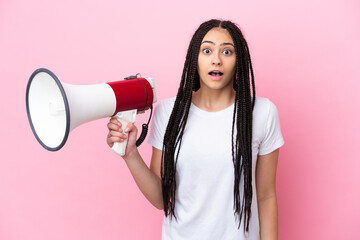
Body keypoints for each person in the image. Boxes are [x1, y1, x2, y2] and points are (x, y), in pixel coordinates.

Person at [107, 19, 284, 240]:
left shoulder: (262, 113)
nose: (216, 60)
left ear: (239, 60)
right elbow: (161, 199)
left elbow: (266, 196)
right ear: (195, 58)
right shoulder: (169, 112)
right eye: (207, 50)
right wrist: (130, 154)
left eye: (227, 52)